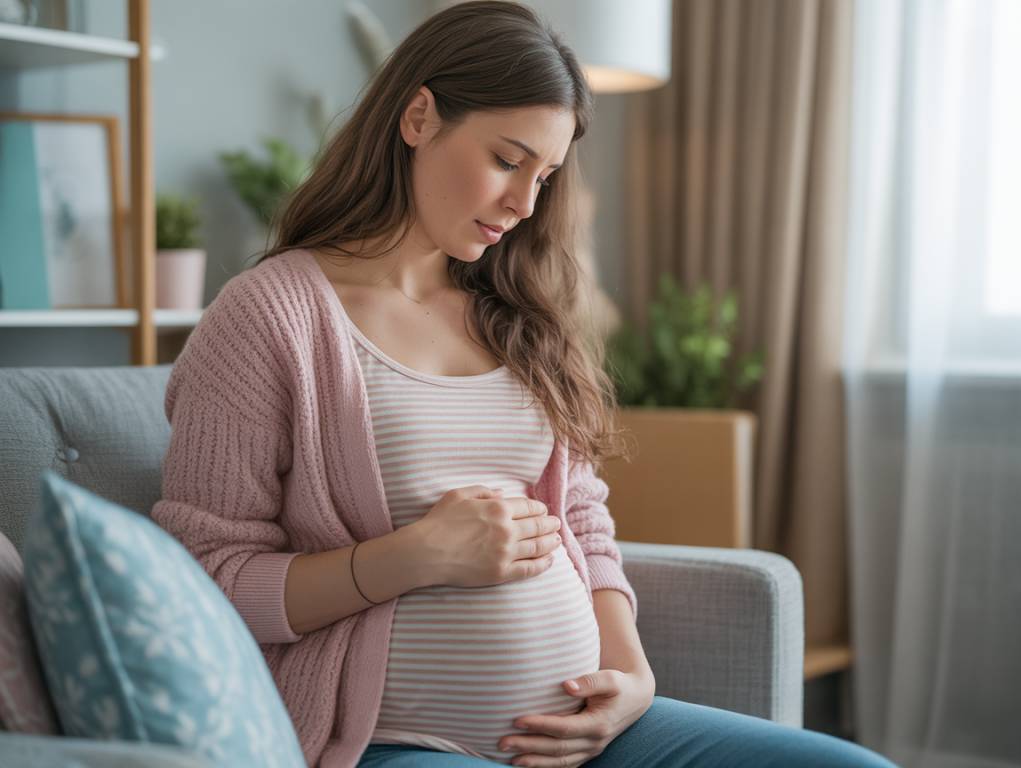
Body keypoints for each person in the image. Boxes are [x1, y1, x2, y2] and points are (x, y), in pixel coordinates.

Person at [152, 2, 899, 767]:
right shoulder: (268, 317)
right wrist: (412, 557)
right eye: (508, 160)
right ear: (418, 116)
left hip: (591, 735)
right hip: (392, 740)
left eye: (544, 174)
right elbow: (207, 578)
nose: (526, 204)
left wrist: (631, 679)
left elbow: (581, 515)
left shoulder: (517, 314)